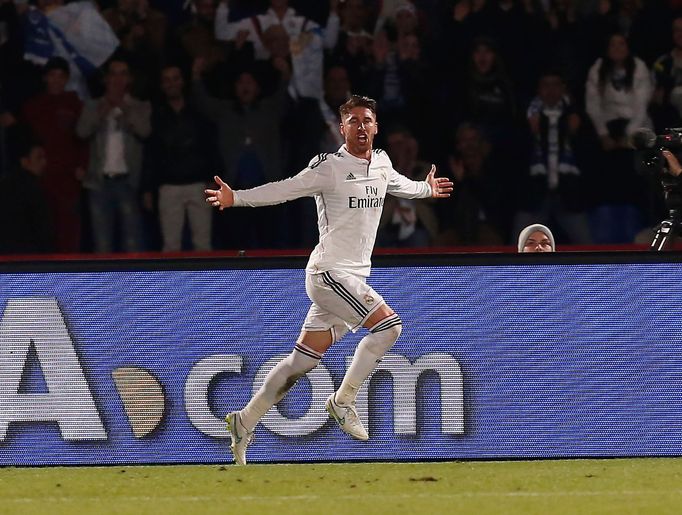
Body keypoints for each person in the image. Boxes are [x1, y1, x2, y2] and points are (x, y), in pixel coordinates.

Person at [204, 94, 453, 465]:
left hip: (347, 279)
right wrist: (236, 197)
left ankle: (244, 421)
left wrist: (427, 189)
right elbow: (285, 189)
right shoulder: (329, 167)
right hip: (329, 274)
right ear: (342, 128)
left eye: (367, 120)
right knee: (389, 328)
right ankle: (343, 400)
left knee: (300, 363)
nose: (361, 127)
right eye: (353, 121)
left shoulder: (382, 163)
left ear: (376, 126)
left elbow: (402, 185)